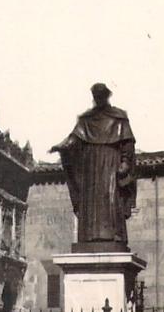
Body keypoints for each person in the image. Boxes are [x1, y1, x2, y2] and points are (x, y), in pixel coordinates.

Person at [50, 84, 136, 250]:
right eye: (95, 95)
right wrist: (61, 147)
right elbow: (73, 139)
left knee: (110, 197)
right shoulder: (86, 119)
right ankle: (89, 236)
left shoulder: (119, 117)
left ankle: (113, 235)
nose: (98, 98)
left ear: (106, 96)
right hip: (91, 166)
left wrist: (125, 161)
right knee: (91, 199)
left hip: (111, 163)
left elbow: (127, 143)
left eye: (100, 95)